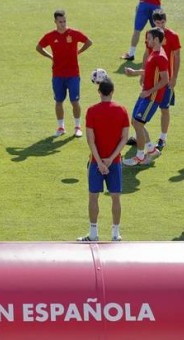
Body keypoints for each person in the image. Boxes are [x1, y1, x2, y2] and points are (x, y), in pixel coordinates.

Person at [78, 78, 129, 242]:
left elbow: (90, 140)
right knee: (115, 197)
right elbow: (124, 138)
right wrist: (110, 159)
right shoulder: (122, 110)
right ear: (112, 91)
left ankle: (93, 234)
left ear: (99, 92)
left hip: (95, 163)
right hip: (114, 163)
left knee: (93, 197)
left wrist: (99, 162)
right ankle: (115, 233)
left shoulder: (91, 111)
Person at [127, 9, 180, 151]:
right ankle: (142, 138)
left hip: (165, 81)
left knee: (164, 109)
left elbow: (177, 57)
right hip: (153, 79)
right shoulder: (150, 36)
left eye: (163, 22)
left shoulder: (173, 36)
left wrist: (174, 77)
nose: (160, 25)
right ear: (153, 21)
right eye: (157, 22)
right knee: (142, 110)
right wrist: (143, 74)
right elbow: (147, 54)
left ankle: (162, 138)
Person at [36, 10, 93, 138]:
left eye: (64, 21)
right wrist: (50, 56)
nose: (63, 24)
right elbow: (39, 47)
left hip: (73, 74)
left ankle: (77, 126)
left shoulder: (73, 33)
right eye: (60, 22)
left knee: (75, 101)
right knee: (59, 101)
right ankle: (61, 127)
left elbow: (89, 42)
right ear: (55, 22)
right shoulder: (50, 36)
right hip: (57, 75)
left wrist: (79, 52)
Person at [123, 27, 168, 166]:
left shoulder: (160, 56)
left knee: (138, 123)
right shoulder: (154, 53)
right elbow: (149, 71)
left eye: (149, 38)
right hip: (145, 94)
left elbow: (165, 79)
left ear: (156, 39)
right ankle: (151, 150)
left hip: (151, 97)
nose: (146, 40)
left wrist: (149, 92)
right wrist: (135, 72)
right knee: (136, 122)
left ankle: (140, 157)